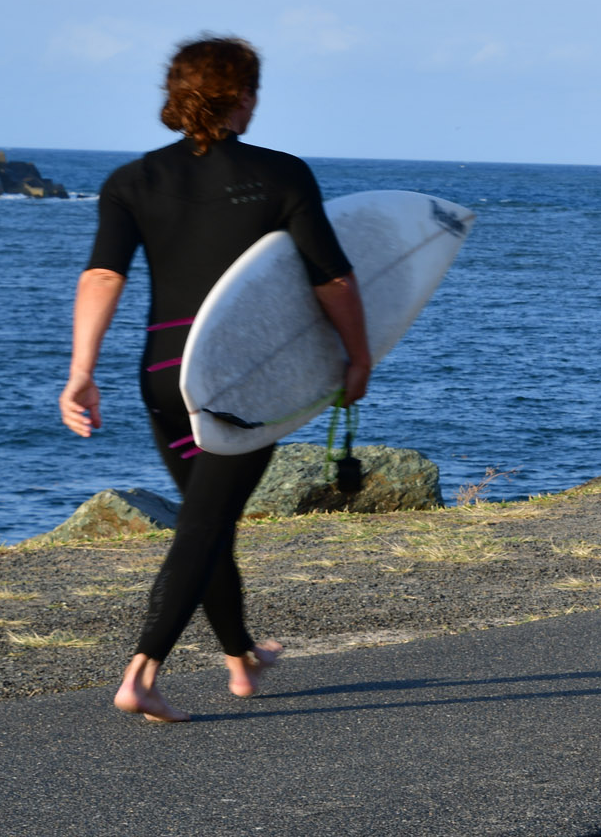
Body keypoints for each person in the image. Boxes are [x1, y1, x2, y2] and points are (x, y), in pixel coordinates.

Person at [59, 36, 372, 722]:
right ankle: (141, 673)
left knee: (210, 518)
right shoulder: (283, 176)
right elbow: (334, 276)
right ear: (245, 96)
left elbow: (101, 276)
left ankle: (241, 658)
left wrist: (81, 372)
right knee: (203, 526)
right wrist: (358, 354)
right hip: (242, 381)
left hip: (165, 378)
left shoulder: (132, 181)